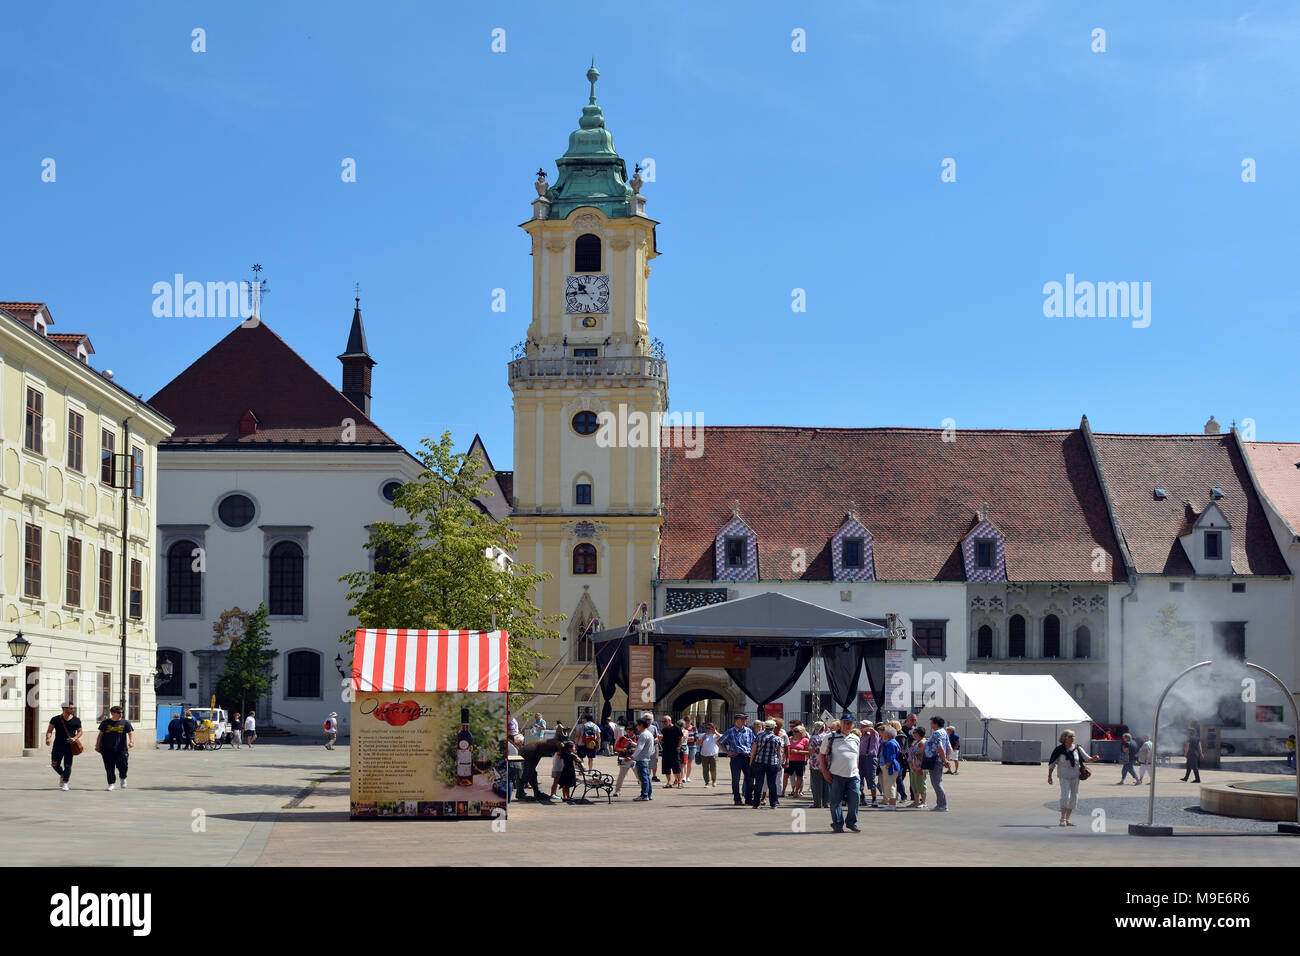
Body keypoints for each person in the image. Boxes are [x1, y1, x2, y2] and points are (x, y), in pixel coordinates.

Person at [820, 714, 862, 832]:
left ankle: (851, 823)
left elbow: (856, 756)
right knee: (835, 801)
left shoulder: (856, 738)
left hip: (853, 775)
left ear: (854, 724)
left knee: (855, 798)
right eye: (845, 722)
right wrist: (824, 772)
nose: (847, 725)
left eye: (850, 723)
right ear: (840, 723)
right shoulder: (830, 737)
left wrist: (857, 770)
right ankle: (837, 824)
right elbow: (822, 755)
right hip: (836, 774)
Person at [1047, 729, 1099, 826]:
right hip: (1064, 776)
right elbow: (1052, 763)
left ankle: (1068, 819)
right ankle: (1062, 819)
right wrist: (1050, 776)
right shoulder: (1059, 750)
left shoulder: (1078, 748)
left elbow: (1088, 758)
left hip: (1075, 776)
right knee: (1066, 796)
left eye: (1073, 736)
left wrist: (1094, 758)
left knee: (1074, 797)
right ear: (1064, 738)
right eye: (1070, 736)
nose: (1073, 738)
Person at [719, 713, 755, 806]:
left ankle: (748, 799)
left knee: (750, 779)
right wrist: (727, 751)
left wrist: (752, 753)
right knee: (736, 779)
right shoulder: (730, 731)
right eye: (743, 719)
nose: (745, 721)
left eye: (745, 719)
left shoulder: (749, 731)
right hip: (736, 757)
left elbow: (754, 743)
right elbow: (719, 742)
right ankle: (737, 799)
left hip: (747, 757)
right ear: (736, 720)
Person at [95, 705, 135, 791]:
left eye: (121, 712)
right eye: (119, 712)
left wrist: (131, 741)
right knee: (109, 767)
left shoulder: (125, 723)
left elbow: (130, 733)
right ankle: (111, 783)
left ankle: (123, 777)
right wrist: (97, 745)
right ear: (112, 713)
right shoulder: (105, 723)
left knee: (123, 766)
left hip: (121, 749)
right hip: (107, 749)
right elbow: (100, 735)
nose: (121, 714)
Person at [46, 702, 82, 791]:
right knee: (54, 764)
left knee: (68, 765)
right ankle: (62, 775)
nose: (73, 710)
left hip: (70, 746)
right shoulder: (55, 719)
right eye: (71, 708)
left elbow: (80, 732)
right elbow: (49, 730)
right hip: (58, 745)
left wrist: (74, 738)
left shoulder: (76, 720)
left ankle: (65, 783)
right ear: (64, 709)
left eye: (73, 708)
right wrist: (48, 738)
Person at [749, 719, 784, 808]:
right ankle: (773, 804)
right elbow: (779, 753)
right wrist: (780, 763)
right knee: (772, 783)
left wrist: (751, 760)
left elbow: (754, 749)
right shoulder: (777, 738)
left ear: (765, 727)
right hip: (772, 762)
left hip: (759, 761)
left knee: (758, 783)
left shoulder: (759, 736)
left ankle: (756, 804)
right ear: (773, 728)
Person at [926, 716, 953, 812]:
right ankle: (941, 804)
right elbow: (949, 748)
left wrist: (944, 760)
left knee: (936, 783)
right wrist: (946, 760)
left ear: (936, 724)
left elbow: (940, 747)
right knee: (938, 782)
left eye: (931, 723)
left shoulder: (937, 733)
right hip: (939, 760)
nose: (931, 725)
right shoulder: (944, 732)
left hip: (935, 760)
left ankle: (942, 805)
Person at [632, 717, 656, 801]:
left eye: (637, 725)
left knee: (643, 778)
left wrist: (633, 756)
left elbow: (640, 748)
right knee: (647, 777)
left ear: (641, 725)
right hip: (646, 758)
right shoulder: (649, 733)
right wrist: (632, 743)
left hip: (641, 758)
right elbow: (642, 746)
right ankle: (648, 794)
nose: (636, 727)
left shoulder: (643, 734)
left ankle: (644, 795)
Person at [877, 726, 901, 810]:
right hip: (891, 766)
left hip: (890, 766)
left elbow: (891, 756)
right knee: (890, 784)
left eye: (884, 733)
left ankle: (892, 804)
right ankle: (891, 804)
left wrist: (887, 765)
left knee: (890, 785)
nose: (883, 735)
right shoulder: (892, 742)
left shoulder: (890, 743)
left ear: (888, 735)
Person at [612, 724, 640, 797]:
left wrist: (634, 748)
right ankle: (617, 791)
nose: (628, 731)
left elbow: (641, 748)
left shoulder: (638, 738)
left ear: (634, 730)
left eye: (630, 729)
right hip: (625, 759)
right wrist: (623, 749)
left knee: (639, 776)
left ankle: (644, 791)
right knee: (621, 776)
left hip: (635, 759)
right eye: (627, 729)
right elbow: (616, 748)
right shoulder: (622, 738)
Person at [858, 721, 881, 808]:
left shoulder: (874, 734)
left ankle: (874, 799)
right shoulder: (861, 736)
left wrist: (867, 728)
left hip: (870, 758)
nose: (861, 727)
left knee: (871, 779)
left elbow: (872, 730)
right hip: (861, 757)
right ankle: (862, 798)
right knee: (859, 779)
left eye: (863, 726)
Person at [807, 721, 829, 808]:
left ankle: (817, 803)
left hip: (816, 763)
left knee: (816, 784)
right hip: (827, 762)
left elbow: (811, 751)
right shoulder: (828, 737)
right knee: (826, 783)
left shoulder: (814, 738)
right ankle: (826, 802)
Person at [659, 715, 684, 787]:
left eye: (665, 721)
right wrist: (660, 740)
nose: (664, 723)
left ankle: (679, 782)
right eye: (662, 721)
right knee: (666, 767)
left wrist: (679, 746)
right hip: (666, 750)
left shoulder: (676, 728)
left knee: (676, 766)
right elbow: (662, 740)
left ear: (670, 721)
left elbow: (681, 738)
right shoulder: (664, 730)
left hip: (674, 750)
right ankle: (668, 782)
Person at [784, 725, 809, 797]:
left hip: (800, 761)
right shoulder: (790, 738)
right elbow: (785, 748)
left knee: (799, 776)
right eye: (793, 731)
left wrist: (798, 751)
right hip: (790, 760)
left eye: (796, 731)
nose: (794, 733)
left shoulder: (805, 740)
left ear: (801, 732)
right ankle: (782, 792)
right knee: (785, 775)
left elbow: (809, 752)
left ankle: (796, 791)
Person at [907, 728, 928, 808]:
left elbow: (923, 756)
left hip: (919, 767)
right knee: (914, 784)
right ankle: (916, 801)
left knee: (921, 784)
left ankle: (924, 802)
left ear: (919, 734)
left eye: (914, 733)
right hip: (913, 766)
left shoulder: (922, 743)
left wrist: (922, 768)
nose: (913, 734)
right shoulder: (915, 742)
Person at [696, 721, 721, 787]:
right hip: (704, 754)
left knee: (713, 769)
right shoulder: (702, 735)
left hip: (713, 754)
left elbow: (721, 737)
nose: (708, 729)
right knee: (705, 770)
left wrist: (715, 731)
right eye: (707, 728)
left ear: (713, 728)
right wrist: (702, 740)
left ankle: (714, 781)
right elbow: (698, 744)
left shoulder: (715, 735)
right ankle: (707, 782)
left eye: (710, 728)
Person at [682, 718, 697, 783]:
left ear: (691, 721)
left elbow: (695, 738)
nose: (687, 722)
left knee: (689, 762)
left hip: (692, 746)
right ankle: (684, 776)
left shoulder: (694, 728)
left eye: (688, 720)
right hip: (684, 746)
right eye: (686, 720)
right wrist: (690, 738)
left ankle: (687, 777)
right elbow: (682, 738)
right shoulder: (683, 728)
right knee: (684, 762)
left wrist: (686, 738)